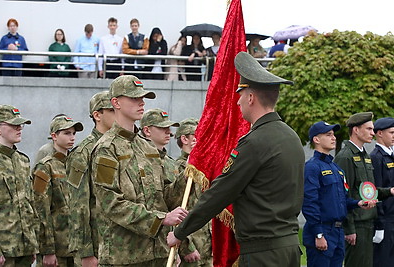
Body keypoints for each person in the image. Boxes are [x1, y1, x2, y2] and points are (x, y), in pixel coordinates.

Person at [167, 51, 305, 267]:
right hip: (288, 249)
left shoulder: (255, 141)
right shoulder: (291, 137)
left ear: (251, 98)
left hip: (263, 254)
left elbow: (220, 192)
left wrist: (180, 232)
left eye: (241, 94)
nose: (238, 101)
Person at [90, 75, 188, 266]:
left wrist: (188, 174)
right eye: (134, 98)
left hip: (157, 253)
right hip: (124, 256)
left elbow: (165, 197)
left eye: (142, 98)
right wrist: (161, 219)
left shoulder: (148, 148)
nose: (141, 102)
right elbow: (110, 203)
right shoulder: (106, 148)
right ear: (116, 102)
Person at [303, 121, 375, 267]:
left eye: (334, 135)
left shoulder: (336, 168)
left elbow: (342, 200)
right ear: (316, 139)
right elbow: (310, 202)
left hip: (337, 231)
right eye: (328, 135)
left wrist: (358, 203)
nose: (334, 138)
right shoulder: (312, 167)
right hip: (323, 231)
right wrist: (318, 234)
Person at [334, 112, 394, 267]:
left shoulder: (364, 155)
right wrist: (349, 229)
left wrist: (389, 191)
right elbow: (342, 195)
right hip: (357, 225)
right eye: (368, 129)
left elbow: (369, 190)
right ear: (356, 130)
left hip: (368, 222)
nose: (373, 133)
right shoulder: (345, 156)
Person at [67, 91, 114, 267]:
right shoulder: (83, 152)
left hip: (118, 245)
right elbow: (78, 205)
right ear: (97, 115)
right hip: (96, 245)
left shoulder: (120, 146)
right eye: (112, 110)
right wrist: (85, 252)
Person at [32, 115, 83, 267]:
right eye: (66, 133)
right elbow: (41, 209)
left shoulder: (77, 165)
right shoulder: (45, 166)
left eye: (73, 133)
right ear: (54, 136)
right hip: (56, 246)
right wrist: (47, 250)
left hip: (76, 246)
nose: (72, 137)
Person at [0, 105, 38, 266]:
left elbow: (29, 203)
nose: (19, 128)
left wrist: (33, 244)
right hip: (2, 250)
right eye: (14, 125)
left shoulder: (23, 160)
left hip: (24, 248)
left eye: (21, 125)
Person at [175, 118, 213, 267]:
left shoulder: (205, 169)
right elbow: (176, 209)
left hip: (207, 242)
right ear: (185, 139)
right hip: (192, 245)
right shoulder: (178, 168)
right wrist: (186, 247)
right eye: (198, 135)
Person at [370, 117, 394, 267]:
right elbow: (376, 191)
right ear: (379, 133)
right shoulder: (376, 157)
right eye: (391, 132)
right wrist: (379, 225)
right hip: (386, 221)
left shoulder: (391, 155)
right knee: (384, 261)